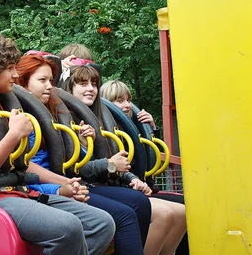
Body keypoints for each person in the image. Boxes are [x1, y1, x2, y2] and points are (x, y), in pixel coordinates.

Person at [0, 32, 115, 255]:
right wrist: (13, 136)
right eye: (9, 68)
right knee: (66, 227)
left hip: (11, 192)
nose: (15, 74)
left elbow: (18, 164)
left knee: (101, 223)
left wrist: (66, 182)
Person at [16, 54, 151, 254]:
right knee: (122, 216)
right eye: (42, 80)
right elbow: (30, 169)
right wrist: (63, 187)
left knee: (139, 203)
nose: (49, 86)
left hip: (68, 183)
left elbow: (70, 158)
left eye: (50, 81)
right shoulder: (27, 120)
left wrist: (80, 143)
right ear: (24, 83)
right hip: (58, 186)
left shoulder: (51, 114)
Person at [62, 65, 187, 255]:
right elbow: (78, 167)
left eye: (94, 84)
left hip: (111, 182)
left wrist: (132, 178)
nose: (90, 88)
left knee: (181, 211)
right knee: (153, 212)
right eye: (82, 84)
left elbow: (121, 161)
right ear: (69, 88)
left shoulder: (102, 120)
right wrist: (111, 165)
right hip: (87, 185)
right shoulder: (66, 121)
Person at [100, 79, 190, 255]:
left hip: (141, 186)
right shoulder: (106, 131)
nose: (126, 105)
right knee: (165, 214)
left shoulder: (133, 129)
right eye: (119, 101)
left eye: (128, 100)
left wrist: (151, 129)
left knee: (184, 209)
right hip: (123, 188)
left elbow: (151, 158)